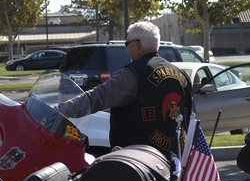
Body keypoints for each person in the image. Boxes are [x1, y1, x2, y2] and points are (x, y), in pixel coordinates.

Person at [59, 21, 192, 155]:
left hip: (138, 161)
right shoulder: (182, 75)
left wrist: (57, 112)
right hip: (177, 160)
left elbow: (94, 98)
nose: (126, 50)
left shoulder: (131, 74)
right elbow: (189, 120)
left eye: (126, 44)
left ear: (136, 44)